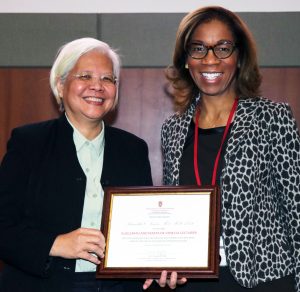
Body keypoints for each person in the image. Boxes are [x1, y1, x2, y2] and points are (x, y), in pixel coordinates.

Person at [0, 37, 159, 292]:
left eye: (108, 79)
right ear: (61, 85)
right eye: (85, 76)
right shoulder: (28, 143)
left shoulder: (134, 150)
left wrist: (158, 264)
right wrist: (56, 243)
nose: (97, 86)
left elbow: (146, 230)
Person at [161, 6, 300, 292]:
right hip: (194, 281)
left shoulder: (271, 118)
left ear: (239, 58)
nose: (210, 59)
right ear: (186, 60)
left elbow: (295, 210)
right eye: (198, 48)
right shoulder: (172, 130)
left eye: (223, 48)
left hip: (263, 279)